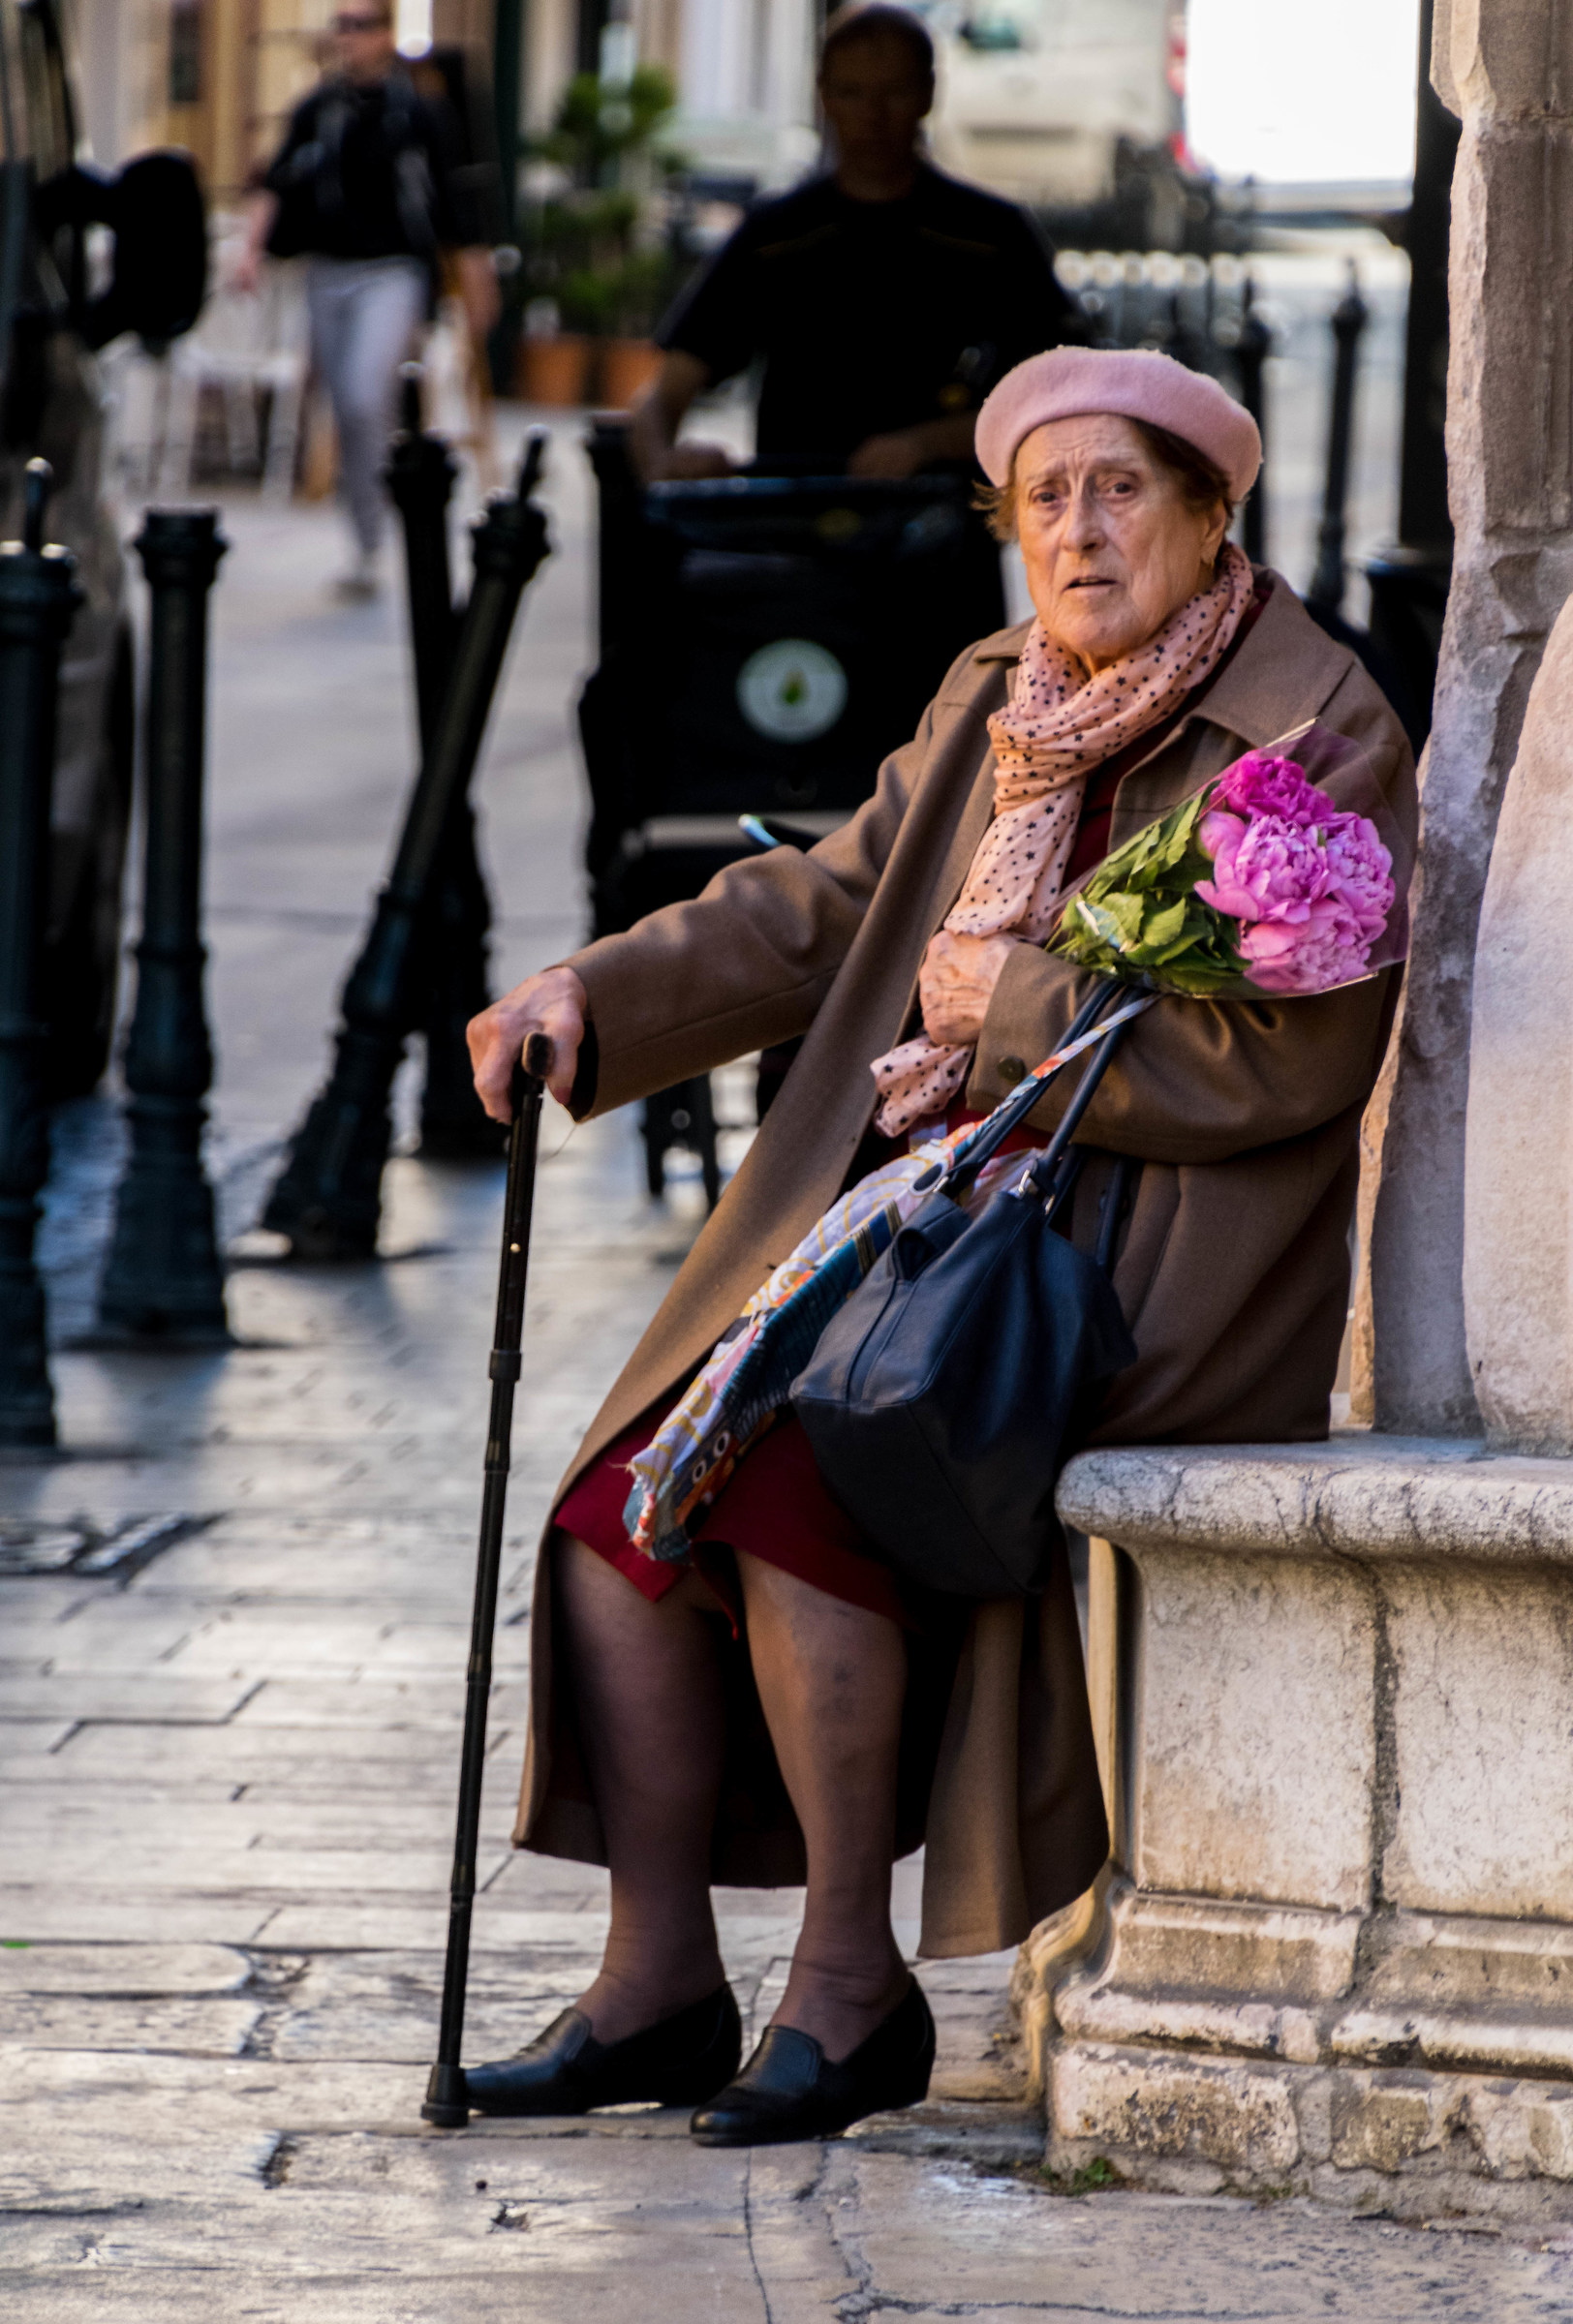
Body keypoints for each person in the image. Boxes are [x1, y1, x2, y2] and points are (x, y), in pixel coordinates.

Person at [463, 347, 1418, 2147]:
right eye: (1044, 498)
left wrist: (1014, 1004)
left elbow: (1293, 1061)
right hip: (921, 1216)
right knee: (616, 1517)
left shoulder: (1311, 732)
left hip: (1130, 1252)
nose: (1078, 528)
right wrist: (592, 994)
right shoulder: (1001, 692)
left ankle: (848, 1987)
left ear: (1211, 516)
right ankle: (654, 1980)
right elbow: (830, 904)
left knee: (794, 1486)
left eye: (1120, 489)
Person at [630, 2, 1079, 484]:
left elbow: (1066, 393)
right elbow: (662, 393)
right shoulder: (776, 237)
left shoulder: (991, 237)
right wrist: (664, 463)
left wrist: (930, 443)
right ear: (823, 96)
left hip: (942, 533)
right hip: (795, 530)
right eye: (852, 93)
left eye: (895, 93)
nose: (874, 117)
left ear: (929, 93)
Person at [234, 6, 500, 597]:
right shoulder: (319, 108)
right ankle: (365, 538)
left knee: (362, 393)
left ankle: (378, 531)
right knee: (344, 406)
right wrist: (250, 251)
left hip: (394, 272)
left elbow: (459, 202)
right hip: (327, 271)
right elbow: (275, 184)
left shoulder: (421, 111)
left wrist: (477, 276)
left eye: (359, 25)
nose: (346, 37)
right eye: (341, 24)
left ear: (385, 36)